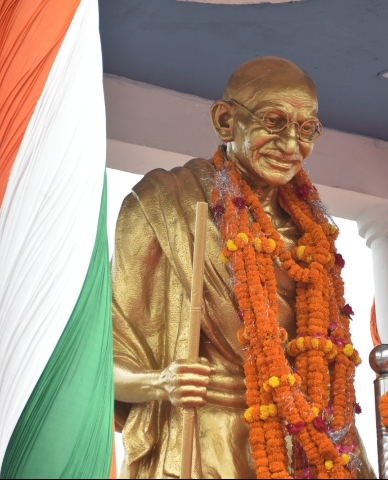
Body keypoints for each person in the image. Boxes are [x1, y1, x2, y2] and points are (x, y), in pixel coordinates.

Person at [112, 57, 373, 478]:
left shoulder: (314, 237)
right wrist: (161, 382)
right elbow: (101, 365)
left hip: (301, 444)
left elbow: (324, 371)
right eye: (274, 122)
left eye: (307, 129)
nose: (291, 145)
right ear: (225, 121)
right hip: (202, 446)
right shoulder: (167, 204)